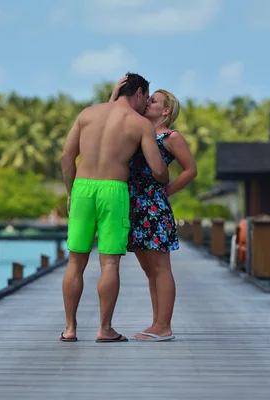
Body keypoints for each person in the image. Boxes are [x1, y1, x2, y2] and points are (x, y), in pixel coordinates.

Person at [60, 73, 170, 343]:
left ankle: (70, 329)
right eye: (146, 97)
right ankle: (104, 329)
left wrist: (71, 192)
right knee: (109, 262)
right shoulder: (140, 123)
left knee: (76, 261)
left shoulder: (87, 114)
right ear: (140, 93)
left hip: (83, 188)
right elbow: (157, 170)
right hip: (113, 190)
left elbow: (67, 156)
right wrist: (165, 178)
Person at [109, 76, 198, 342]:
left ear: (166, 110)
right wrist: (115, 96)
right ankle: (157, 323)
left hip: (153, 207)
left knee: (161, 268)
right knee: (150, 270)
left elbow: (191, 170)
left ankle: (164, 326)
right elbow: (109, 120)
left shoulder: (171, 136)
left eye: (154, 101)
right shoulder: (139, 130)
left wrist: (167, 191)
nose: (148, 102)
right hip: (134, 205)